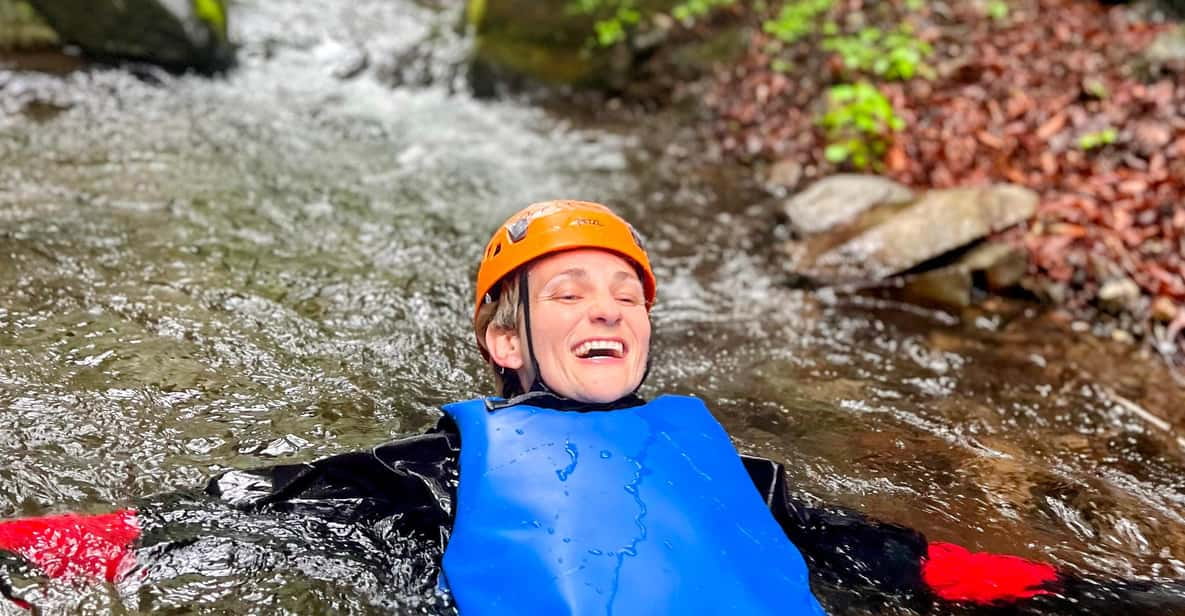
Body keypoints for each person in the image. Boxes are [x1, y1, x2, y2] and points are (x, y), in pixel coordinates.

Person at [2, 201, 1184, 615]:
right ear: (505, 336)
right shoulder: (437, 470)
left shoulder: (740, 476)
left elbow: (893, 557)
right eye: (570, 291)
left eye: (626, 293)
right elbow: (232, 516)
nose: (607, 307)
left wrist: (1102, 591)